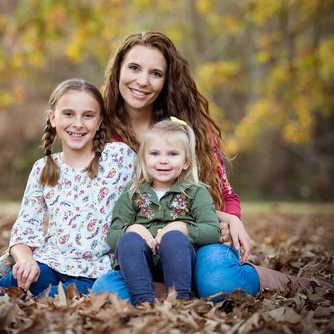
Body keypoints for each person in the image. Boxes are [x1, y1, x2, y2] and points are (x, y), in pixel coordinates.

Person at [92, 31, 331, 300]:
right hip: (141, 247)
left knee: (221, 283)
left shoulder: (189, 127)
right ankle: (187, 291)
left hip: (196, 238)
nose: (142, 81)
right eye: (134, 68)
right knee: (107, 292)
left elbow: (224, 192)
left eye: (156, 73)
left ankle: (276, 281)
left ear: (167, 80)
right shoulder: (99, 130)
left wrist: (231, 219)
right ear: (118, 70)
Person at [0, 79, 136, 298]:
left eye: (87, 116)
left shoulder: (119, 158)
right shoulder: (43, 168)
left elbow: (151, 187)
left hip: (96, 272)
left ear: (99, 122)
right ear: (53, 118)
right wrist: (26, 261)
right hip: (48, 265)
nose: (78, 124)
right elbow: (25, 229)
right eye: (68, 114)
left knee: (78, 298)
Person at [108, 118, 221, 305]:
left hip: (180, 263)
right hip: (141, 265)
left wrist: (183, 228)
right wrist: (133, 229)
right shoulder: (133, 192)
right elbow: (112, 235)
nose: (163, 161)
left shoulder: (195, 191)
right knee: (127, 241)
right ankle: (144, 302)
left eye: (172, 154)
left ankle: (180, 301)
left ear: (186, 161)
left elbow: (213, 231)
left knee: (174, 238)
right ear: (144, 158)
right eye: (154, 153)